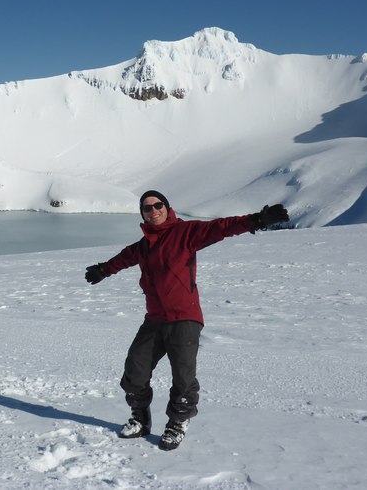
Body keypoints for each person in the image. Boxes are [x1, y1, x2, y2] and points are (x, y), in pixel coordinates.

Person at [85, 190, 289, 451]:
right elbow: (125, 257)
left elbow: (221, 227)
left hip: (184, 317)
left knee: (183, 376)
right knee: (135, 370)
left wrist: (256, 220)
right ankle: (140, 417)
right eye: (147, 208)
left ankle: (177, 422)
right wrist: (103, 270)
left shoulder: (186, 233)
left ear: (167, 208)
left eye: (158, 205)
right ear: (142, 214)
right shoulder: (144, 245)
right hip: (155, 319)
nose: (153, 210)